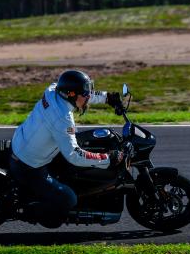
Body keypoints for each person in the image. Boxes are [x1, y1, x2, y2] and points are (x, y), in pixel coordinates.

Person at [9, 69, 124, 226]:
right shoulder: (62, 118)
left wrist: (107, 98)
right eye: (85, 94)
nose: (88, 96)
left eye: (88, 92)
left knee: (84, 142)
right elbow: (74, 155)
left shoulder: (53, 90)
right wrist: (106, 159)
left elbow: (79, 93)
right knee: (67, 199)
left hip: (25, 141)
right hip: (29, 165)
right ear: (71, 95)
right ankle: (26, 211)